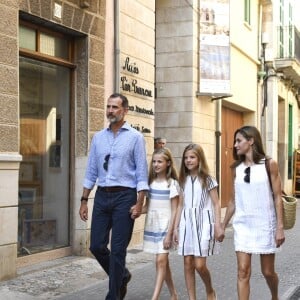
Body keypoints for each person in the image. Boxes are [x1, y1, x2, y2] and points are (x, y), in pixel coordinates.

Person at [79, 93, 149, 300]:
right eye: (108, 107)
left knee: (118, 250)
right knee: (96, 246)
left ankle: (114, 295)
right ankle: (122, 276)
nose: (110, 110)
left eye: (115, 107)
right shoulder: (98, 137)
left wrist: (139, 203)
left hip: (124, 197)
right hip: (102, 196)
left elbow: (141, 174)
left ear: (125, 110)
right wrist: (84, 200)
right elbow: (91, 170)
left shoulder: (136, 137)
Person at [221, 125, 285, 300]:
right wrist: (222, 225)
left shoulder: (269, 164)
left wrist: (280, 228)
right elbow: (233, 201)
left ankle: (275, 296)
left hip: (265, 224)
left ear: (251, 141)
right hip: (243, 225)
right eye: (235, 141)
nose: (235, 145)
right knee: (243, 271)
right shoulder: (236, 169)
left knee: (268, 272)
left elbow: (278, 197)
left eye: (239, 141)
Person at [173, 144, 224, 300]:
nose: (188, 160)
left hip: (203, 223)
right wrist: (175, 228)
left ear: (199, 158)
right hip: (186, 223)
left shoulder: (208, 180)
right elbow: (180, 205)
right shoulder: (181, 180)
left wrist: (218, 225)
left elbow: (216, 203)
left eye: (192, 157)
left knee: (200, 265)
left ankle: (209, 290)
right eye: (186, 157)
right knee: (188, 263)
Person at [143, 147, 179, 300]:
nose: (156, 165)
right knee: (163, 263)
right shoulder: (149, 183)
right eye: (154, 161)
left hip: (166, 226)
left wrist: (170, 234)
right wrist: (134, 210)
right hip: (152, 226)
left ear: (168, 163)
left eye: (160, 161)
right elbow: (147, 206)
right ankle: (174, 294)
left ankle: (155, 297)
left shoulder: (172, 184)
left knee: (160, 261)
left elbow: (175, 210)